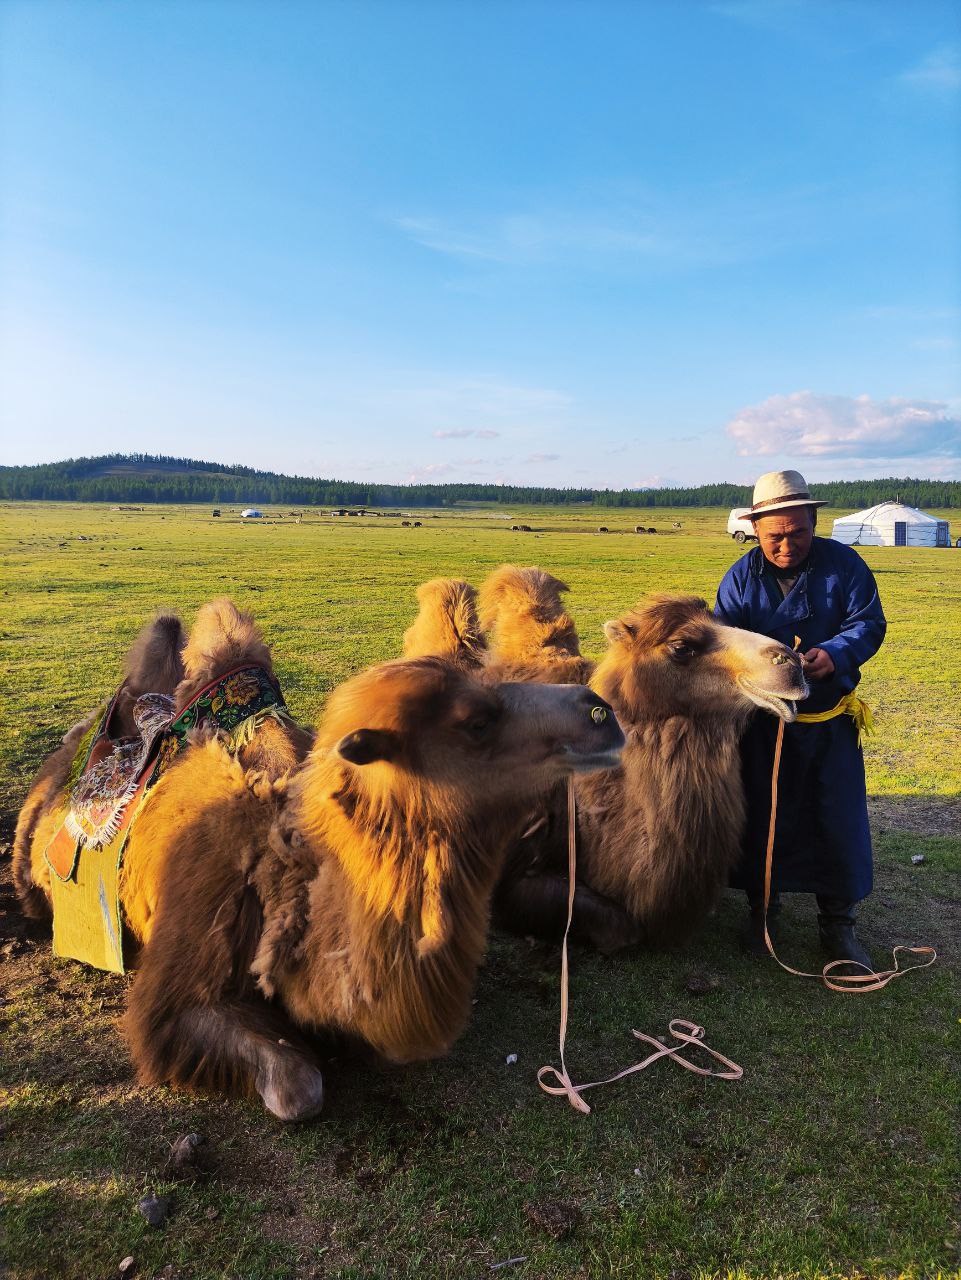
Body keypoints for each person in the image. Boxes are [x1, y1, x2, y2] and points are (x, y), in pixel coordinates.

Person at [714, 470, 886, 968]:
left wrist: (835, 653)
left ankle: (838, 926)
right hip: (765, 725)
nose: (787, 545)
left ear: (815, 522)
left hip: (829, 723)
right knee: (765, 817)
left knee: (836, 819)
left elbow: (868, 623)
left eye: (798, 532)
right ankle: (762, 914)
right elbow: (723, 637)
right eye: (775, 536)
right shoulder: (741, 577)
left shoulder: (845, 566)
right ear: (755, 529)